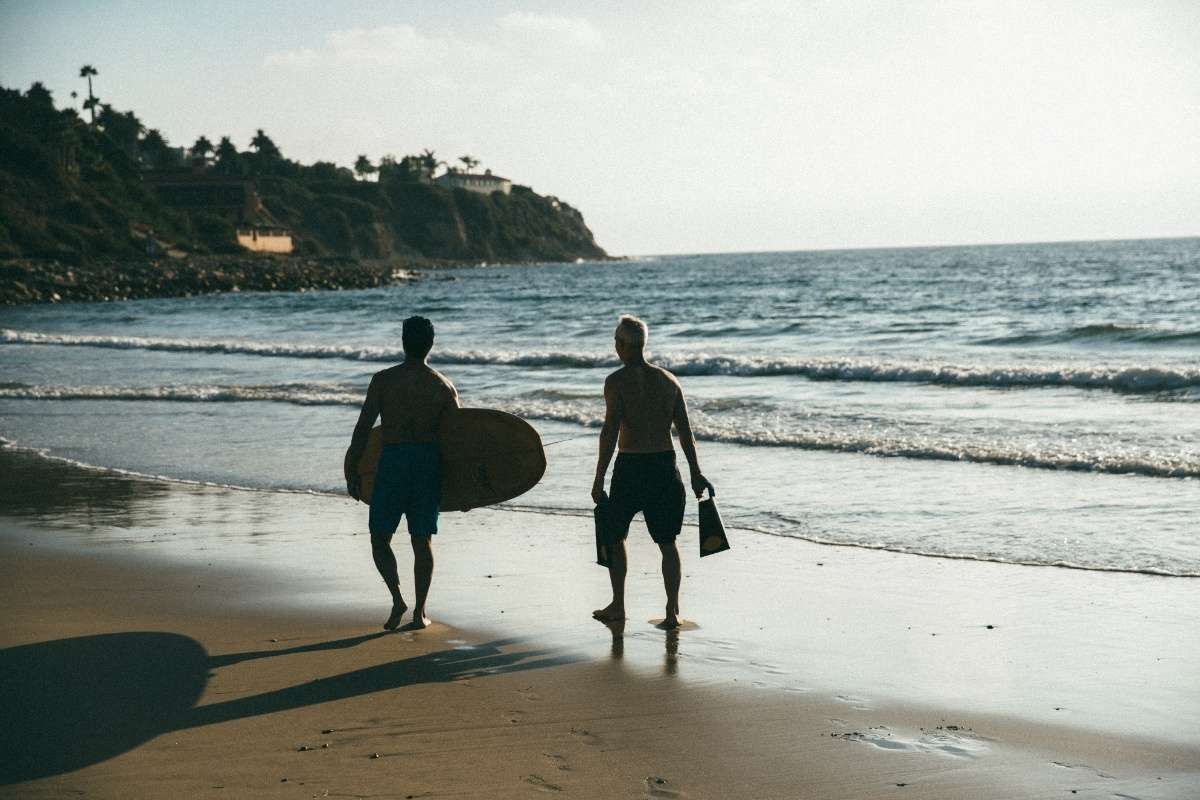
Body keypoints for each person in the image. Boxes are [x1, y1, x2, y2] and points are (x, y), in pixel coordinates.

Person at [592, 314, 709, 629]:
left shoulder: (616, 381)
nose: (615, 346)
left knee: (616, 537)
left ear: (623, 344)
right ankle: (672, 611)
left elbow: (610, 430)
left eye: (616, 341)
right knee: (667, 543)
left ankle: (618, 605)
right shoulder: (669, 381)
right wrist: (696, 473)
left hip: (631, 467)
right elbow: (685, 432)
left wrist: (598, 477)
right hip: (664, 467)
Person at [347, 316, 459, 631]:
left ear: (402, 341)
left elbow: (362, 430)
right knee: (421, 542)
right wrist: (464, 490)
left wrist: (352, 469)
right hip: (427, 464)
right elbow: (458, 440)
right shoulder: (442, 385)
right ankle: (420, 613)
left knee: (379, 538)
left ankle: (397, 598)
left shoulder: (383, 380)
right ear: (431, 344)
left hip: (393, 461)